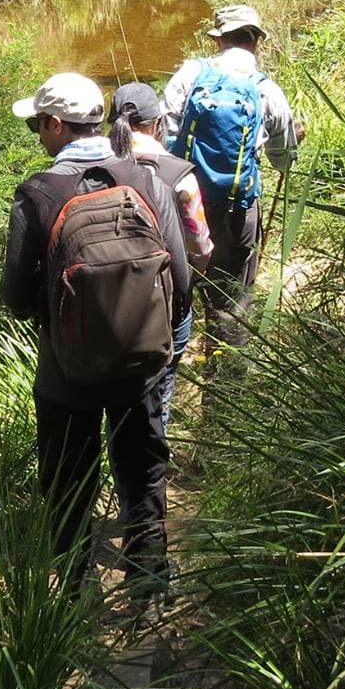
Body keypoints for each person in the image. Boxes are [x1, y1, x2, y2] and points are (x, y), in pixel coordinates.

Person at [1, 72, 193, 599]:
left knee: (68, 478)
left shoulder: (38, 194)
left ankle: (76, 592)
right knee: (143, 468)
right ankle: (149, 585)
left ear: (57, 124)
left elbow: (15, 296)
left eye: (38, 124)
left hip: (67, 373)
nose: (38, 134)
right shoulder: (147, 180)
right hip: (141, 365)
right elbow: (180, 278)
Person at [160, 4, 302, 360]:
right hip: (239, 205)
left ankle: (173, 357)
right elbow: (283, 157)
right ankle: (230, 374)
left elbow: (164, 131)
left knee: (181, 278)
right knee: (235, 288)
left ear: (218, 39)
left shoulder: (192, 73)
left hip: (185, 200)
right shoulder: (266, 89)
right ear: (256, 41)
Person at [109, 81, 211, 435]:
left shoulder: (100, 171)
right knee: (159, 393)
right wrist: (190, 277)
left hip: (110, 303)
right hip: (166, 308)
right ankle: (152, 462)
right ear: (157, 125)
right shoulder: (180, 175)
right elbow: (200, 246)